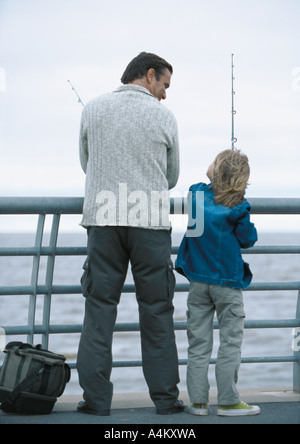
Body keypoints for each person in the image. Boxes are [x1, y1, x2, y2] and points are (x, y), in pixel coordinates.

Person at [77, 52, 184, 416]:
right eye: (164, 85)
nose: (165, 94)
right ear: (149, 75)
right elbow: (171, 177)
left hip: (103, 220)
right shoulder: (164, 116)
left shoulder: (92, 108)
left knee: (99, 310)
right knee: (156, 311)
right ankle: (166, 402)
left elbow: (85, 162)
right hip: (150, 224)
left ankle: (95, 402)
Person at [176, 149, 261, 417]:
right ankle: (227, 401)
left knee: (198, 344)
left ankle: (198, 403)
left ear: (217, 171)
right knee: (230, 343)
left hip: (198, 282)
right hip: (227, 282)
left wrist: (216, 172)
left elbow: (201, 184)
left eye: (213, 161)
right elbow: (248, 239)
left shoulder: (196, 194)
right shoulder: (239, 206)